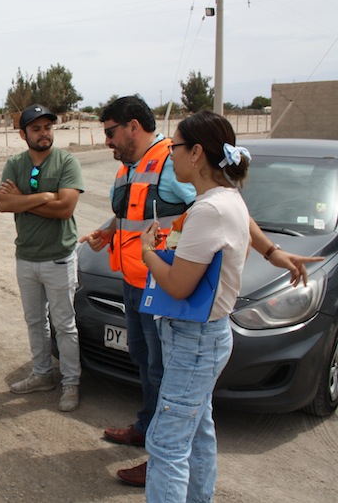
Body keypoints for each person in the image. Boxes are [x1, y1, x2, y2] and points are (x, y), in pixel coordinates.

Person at [79, 95, 322, 487]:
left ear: (132, 127)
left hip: (169, 296)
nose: (106, 141)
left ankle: (158, 454)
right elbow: (135, 215)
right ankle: (148, 428)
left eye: (110, 132)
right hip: (134, 283)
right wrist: (109, 231)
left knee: (165, 378)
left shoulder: (175, 164)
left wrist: (271, 251)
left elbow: (226, 207)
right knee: (144, 362)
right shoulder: (130, 168)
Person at [138, 111, 250, 501]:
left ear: (197, 153)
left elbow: (180, 286)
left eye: (175, 148)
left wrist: (149, 252)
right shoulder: (227, 199)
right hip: (205, 336)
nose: (170, 156)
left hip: (195, 340)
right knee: (198, 431)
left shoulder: (209, 210)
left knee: (166, 443)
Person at [0, 104, 85, 412]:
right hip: (26, 257)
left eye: (48, 127)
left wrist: (22, 200)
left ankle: (71, 383)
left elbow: (65, 209)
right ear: (23, 134)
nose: (44, 133)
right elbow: (2, 204)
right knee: (34, 321)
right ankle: (42, 374)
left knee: (64, 324)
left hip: (59, 257)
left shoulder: (67, 162)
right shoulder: (14, 163)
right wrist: (44, 197)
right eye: (36, 128)